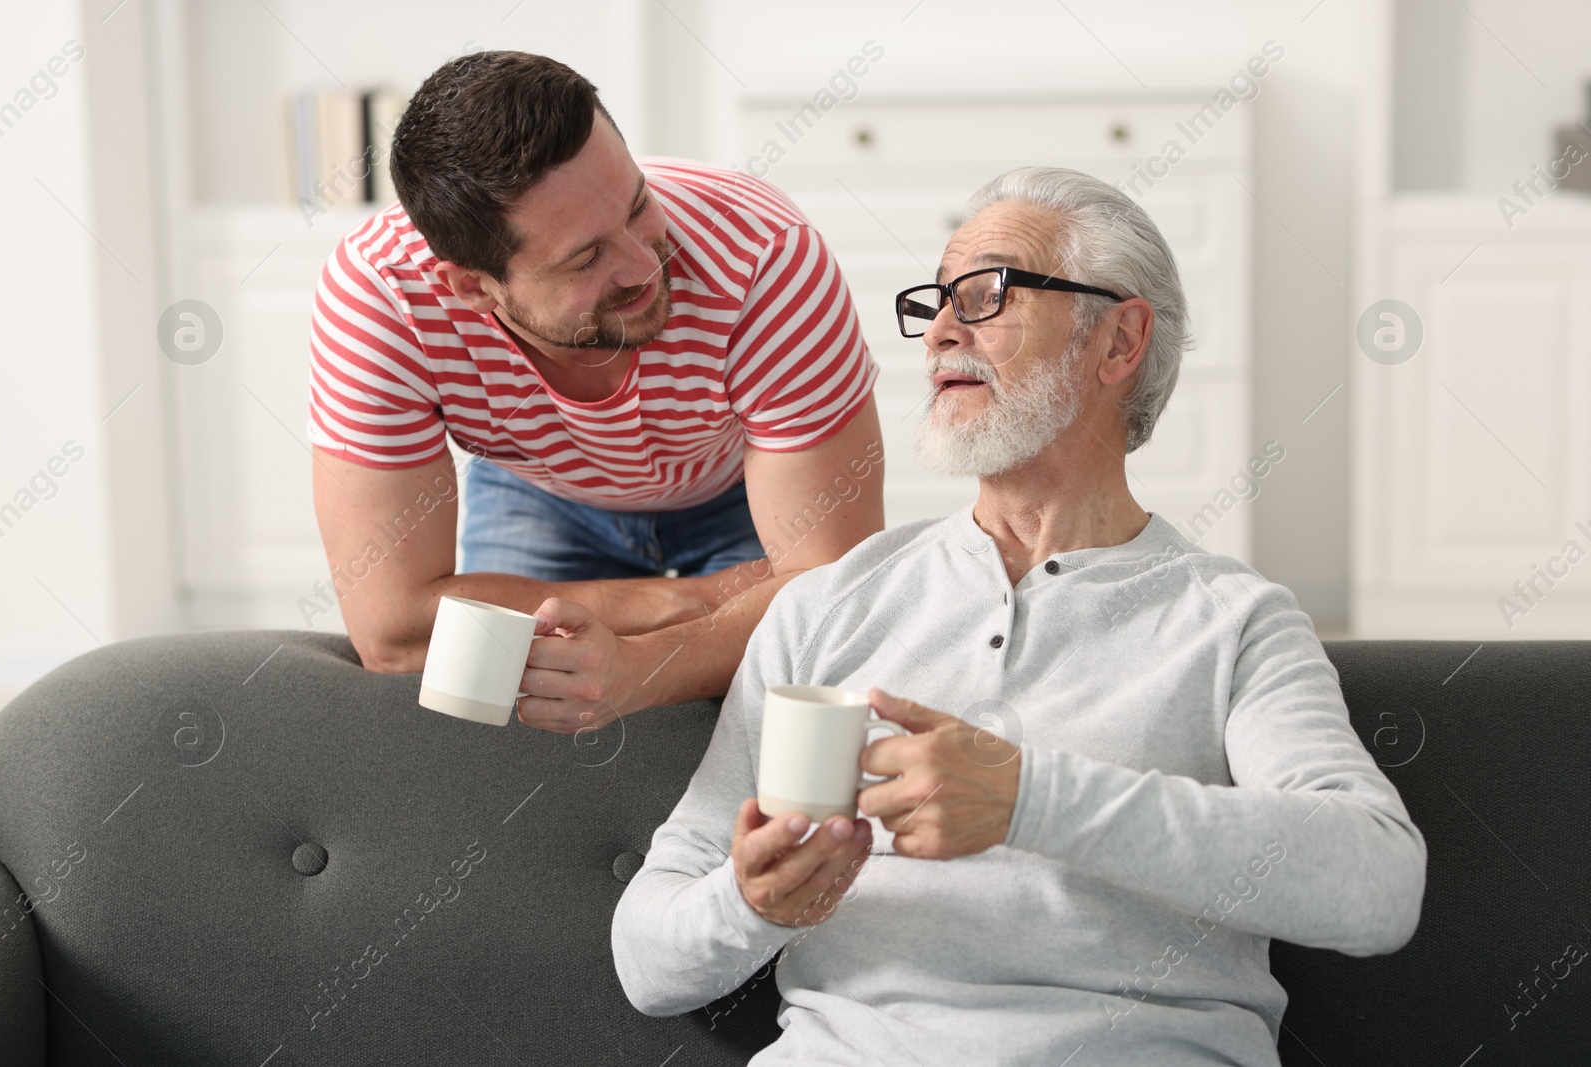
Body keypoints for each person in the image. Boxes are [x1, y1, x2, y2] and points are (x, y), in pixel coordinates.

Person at [610, 166, 1426, 1065]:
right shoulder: (828, 604)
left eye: (987, 294)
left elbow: (1377, 883)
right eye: (938, 301)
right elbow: (647, 962)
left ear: (1118, 341)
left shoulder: (1233, 620)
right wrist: (750, 904)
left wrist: (1028, 799)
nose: (941, 335)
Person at [305, 52, 885, 732]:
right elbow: (395, 635)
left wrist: (646, 666)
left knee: (796, 703)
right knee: (490, 718)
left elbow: (831, 596)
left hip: (742, 492)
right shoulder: (380, 298)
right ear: (472, 287)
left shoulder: (765, 258)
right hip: (541, 494)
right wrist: (692, 603)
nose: (645, 264)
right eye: (585, 257)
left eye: (639, 205)